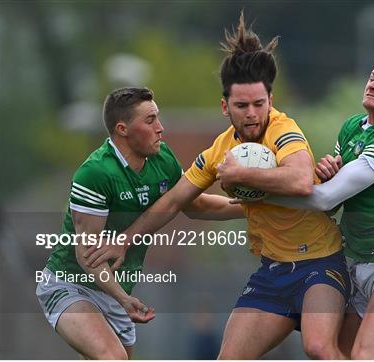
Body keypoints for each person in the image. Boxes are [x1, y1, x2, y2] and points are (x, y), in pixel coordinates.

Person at [84, 13, 349, 360]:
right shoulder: (218, 151)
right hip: (272, 272)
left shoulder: (284, 130)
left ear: (271, 101)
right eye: (242, 105)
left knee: (318, 347)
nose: (252, 113)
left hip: (320, 263)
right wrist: (125, 239)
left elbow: (299, 179)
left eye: (260, 103)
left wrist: (241, 177)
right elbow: (175, 200)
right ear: (225, 107)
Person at [36, 87, 243, 359]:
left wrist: (252, 209)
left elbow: (194, 204)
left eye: (158, 118)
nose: (160, 128)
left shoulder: (163, 158)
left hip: (116, 295)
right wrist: (124, 298)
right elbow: (87, 257)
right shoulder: (96, 173)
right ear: (122, 128)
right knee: (114, 357)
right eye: (150, 120)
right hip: (71, 284)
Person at [264, 42, 374, 359]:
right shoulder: (352, 128)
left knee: (365, 354)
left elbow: (324, 198)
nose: (372, 84)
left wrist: (260, 190)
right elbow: (332, 203)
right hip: (357, 264)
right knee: (334, 353)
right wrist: (329, 175)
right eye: (372, 77)